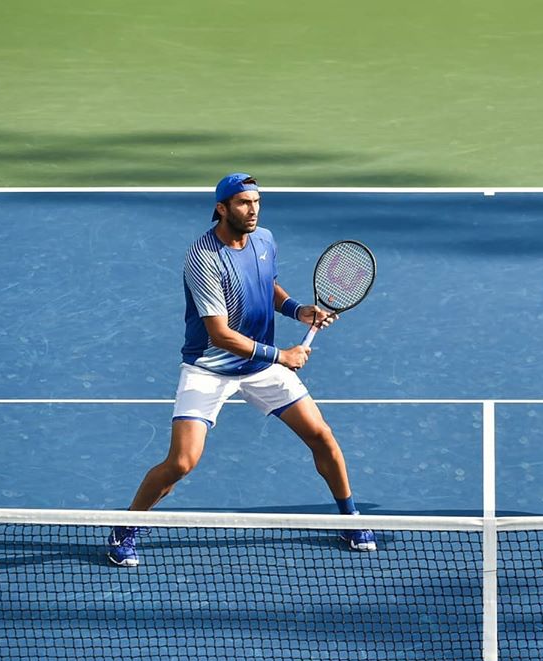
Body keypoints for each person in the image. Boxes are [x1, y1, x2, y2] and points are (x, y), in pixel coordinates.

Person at [106, 173, 375, 566]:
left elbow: (268, 284)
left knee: (322, 436)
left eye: (257, 202)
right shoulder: (203, 257)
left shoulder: (264, 239)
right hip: (209, 367)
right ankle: (124, 527)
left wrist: (297, 309)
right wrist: (282, 356)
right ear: (222, 208)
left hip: (259, 365)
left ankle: (349, 517)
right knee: (182, 462)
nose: (253, 210)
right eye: (244, 203)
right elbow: (219, 335)